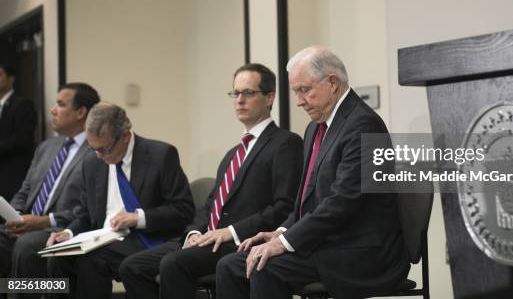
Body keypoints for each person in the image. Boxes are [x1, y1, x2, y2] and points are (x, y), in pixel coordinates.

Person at [216, 46, 408, 299]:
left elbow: (342, 202)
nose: (299, 101)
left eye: (304, 90)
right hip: (329, 243)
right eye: (296, 92)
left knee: (264, 267)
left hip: (362, 252)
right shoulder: (314, 128)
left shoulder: (363, 124)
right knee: (230, 265)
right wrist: (282, 232)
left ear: (332, 83)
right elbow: (309, 199)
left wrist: (283, 244)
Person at [118, 63, 303, 299]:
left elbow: (284, 207)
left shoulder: (286, 143)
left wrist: (230, 232)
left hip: (241, 240)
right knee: (132, 267)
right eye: (235, 93)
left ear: (269, 98)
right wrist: (193, 233)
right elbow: (210, 205)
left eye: (248, 93)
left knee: (173, 263)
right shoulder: (233, 153)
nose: (239, 100)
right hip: (208, 237)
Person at [45, 102, 194, 299]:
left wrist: (137, 217)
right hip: (102, 237)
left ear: (125, 135)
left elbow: (184, 209)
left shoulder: (161, 155)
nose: (98, 155)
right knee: (58, 260)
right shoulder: (92, 162)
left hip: (146, 237)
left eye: (104, 149)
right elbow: (85, 215)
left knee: (91, 260)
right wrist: (68, 232)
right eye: (93, 148)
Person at [0, 83, 99, 280]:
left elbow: (90, 208)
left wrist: (44, 221)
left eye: (60, 105)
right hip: (26, 224)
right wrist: (17, 217)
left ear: (81, 112)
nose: (53, 110)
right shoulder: (46, 146)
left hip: (61, 228)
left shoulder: (97, 152)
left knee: (26, 246)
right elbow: (25, 190)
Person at [0, 62, 36, 200]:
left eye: (0, 74)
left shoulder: (23, 104)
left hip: (11, 173)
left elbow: (22, 139)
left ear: (11, 78)